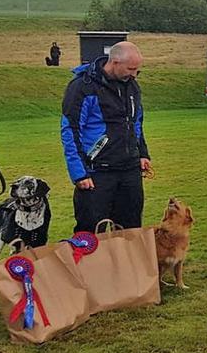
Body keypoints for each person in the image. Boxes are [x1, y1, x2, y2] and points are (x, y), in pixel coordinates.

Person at [61, 42, 151, 233]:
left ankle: (127, 264)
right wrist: (79, 173)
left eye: (137, 70)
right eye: (131, 69)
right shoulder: (82, 87)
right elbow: (70, 130)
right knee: (91, 233)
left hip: (129, 171)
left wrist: (142, 153)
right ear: (115, 62)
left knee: (131, 232)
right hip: (96, 173)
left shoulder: (132, 86)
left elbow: (136, 122)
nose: (134, 75)